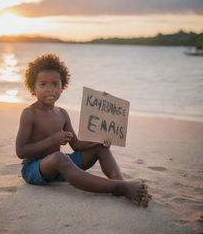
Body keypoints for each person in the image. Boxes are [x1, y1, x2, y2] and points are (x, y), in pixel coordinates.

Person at [16, 53, 151, 207]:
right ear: (33, 87)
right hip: (35, 169)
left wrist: (97, 140)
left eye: (55, 84)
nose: (50, 89)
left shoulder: (62, 113)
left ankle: (121, 184)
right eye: (43, 84)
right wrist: (51, 141)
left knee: (100, 147)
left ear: (63, 85)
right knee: (59, 157)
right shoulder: (30, 113)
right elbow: (21, 151)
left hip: (60, 169)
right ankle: (118, 187)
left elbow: (77, 145)